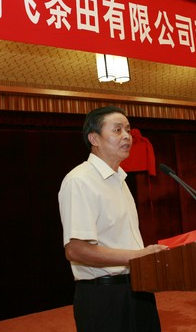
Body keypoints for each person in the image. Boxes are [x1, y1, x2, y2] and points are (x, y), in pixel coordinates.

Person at [58, 106, 168, 332]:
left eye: (128, 129)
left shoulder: (120, 180)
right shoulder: (80, 181)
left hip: (139, 289)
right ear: (94, 139)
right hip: (104, 297)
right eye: (117, 130)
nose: (127, 136)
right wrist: (139, 255)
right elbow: (76, 250)